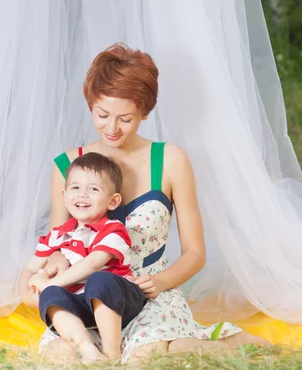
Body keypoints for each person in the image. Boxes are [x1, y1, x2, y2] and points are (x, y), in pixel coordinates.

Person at [40, 44, 270, 363]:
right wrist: (51, 264)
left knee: (144, 359)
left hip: (149, 296)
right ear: (90, 104)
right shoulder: (67, 165)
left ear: (145, 113)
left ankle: (227, 342)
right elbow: (58, 242)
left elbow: (195, 253)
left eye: (125, 119)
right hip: (84, 295)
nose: (111, 128)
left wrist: (159, 282)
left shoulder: (172, 161)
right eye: (102, 115)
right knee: (62, 357)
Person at [19, 152, 146, 362]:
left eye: (93, 189)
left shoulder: (113, 229)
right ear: (64, 195)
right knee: (53, 298)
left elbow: (92, 263)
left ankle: (112, 354)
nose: (82, 195)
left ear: (113, 201)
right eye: (75, 188)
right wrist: (27, 291)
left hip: (118, 304)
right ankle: (88, 350)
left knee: (99, 280)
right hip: (81, 309)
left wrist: (50, 283)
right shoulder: (57, 235)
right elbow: (30, 268)